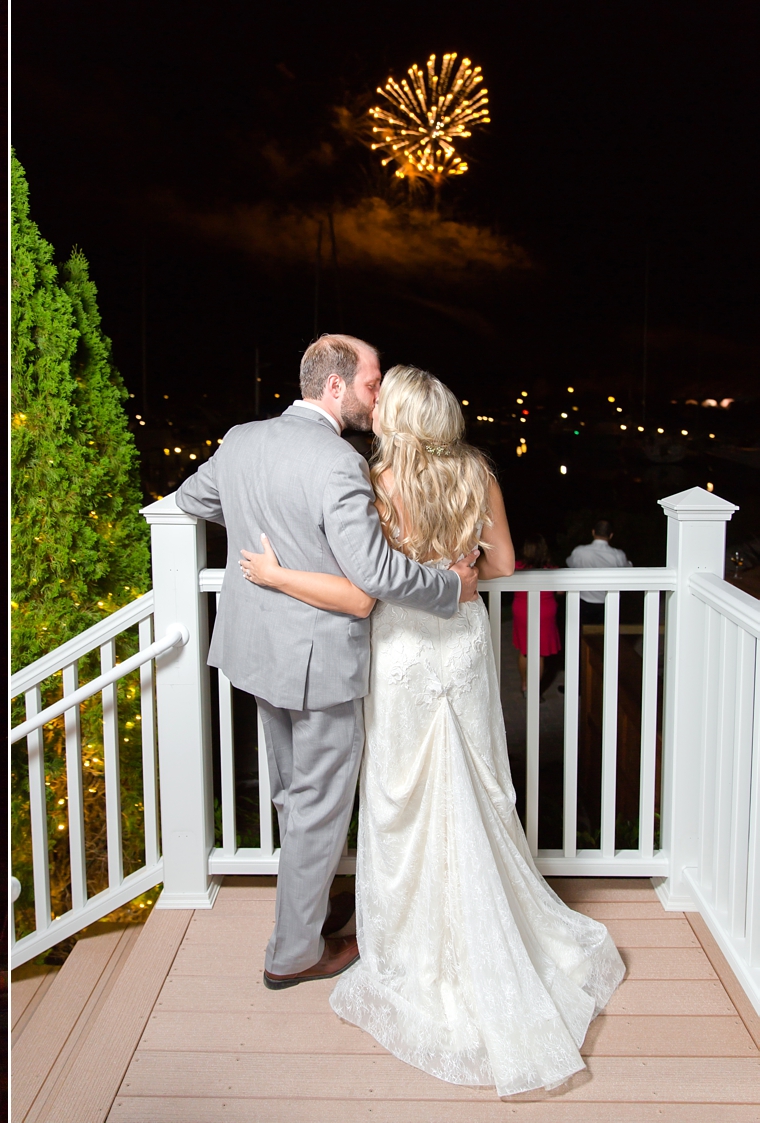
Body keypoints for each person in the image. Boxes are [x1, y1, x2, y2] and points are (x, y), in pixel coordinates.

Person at [238, 365, 624, 1097]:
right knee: (475, 776)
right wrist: (464, 563)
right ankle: (493, 929)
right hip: (464, 640)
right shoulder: (478, 471)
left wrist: (281, 571)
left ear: (403, 419)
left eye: (385, 402)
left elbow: (367, 579)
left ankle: (409, 939)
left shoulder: (376, 480)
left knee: (401, 792)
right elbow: (507, 563)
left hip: (406, 646)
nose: (374, 408)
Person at [173, 335, 479, 992]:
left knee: (293, 795)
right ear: (335, 387)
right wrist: (450, 585)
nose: (377, 393)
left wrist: (264, 520)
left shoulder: (241, 440)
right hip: (316, 662)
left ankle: (306, 911)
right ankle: (293, 953)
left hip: (255, 650)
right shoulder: (339, 463)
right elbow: (372, 572)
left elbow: (191, 501)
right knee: (318, 803)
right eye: (371, 382)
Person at [513, 534, 562, 695]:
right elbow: (560, 591)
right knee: (539, 653)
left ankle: (525, 684)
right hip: (545, 610)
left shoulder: (516, 567)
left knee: (525, 650)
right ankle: (534, 691)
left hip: (522, 609)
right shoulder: (551, 570)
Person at [565, 519, 632, 627]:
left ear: (593, 532)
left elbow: (570, 563)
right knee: (608, 635)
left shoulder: (580, 552)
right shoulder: (617, 555)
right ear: (610, 535)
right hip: (609, 602)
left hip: (584, 602)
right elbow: (628, 570)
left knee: (583, 637)